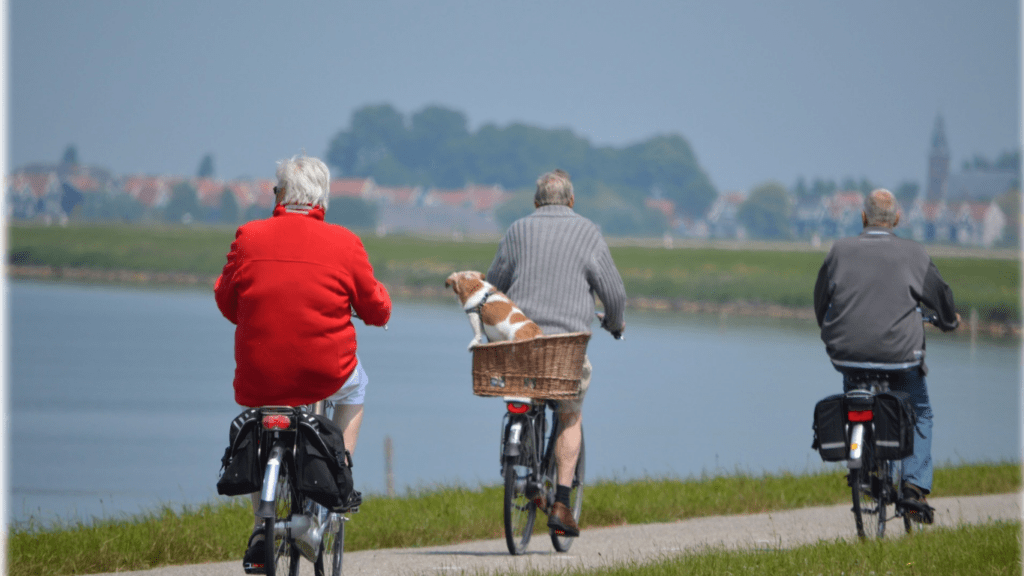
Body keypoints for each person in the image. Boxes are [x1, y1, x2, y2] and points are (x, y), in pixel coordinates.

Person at [214, 155, 391, 572]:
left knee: (260, 418)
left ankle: (263, 525)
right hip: (325, 372)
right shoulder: (345, 242)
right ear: (322, 201)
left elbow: (226, 301)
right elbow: (377, 308)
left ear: (280, 196)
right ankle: (340, 476)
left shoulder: (249, 236)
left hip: (260, 375)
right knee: (357, 387)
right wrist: (376, 307)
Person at [486, 169, 626, 537]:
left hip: (520, 346)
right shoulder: (588, 232)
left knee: (522, 394)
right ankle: (562, 503)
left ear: (535, 203)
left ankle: (519, 461)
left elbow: (492, 287)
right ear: (572, 201)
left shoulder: (517, 230)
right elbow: (613, 294)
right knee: (569, 415)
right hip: (566, 349)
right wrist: (614, 322)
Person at [813, 188, 959, 522]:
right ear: (897, 219)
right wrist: (949, 322)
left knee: (856, 400)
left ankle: (865, 468)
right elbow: (942, 299)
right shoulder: (914, 253)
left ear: (862, 218)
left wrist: (829, 330)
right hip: (901, 356)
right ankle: (913, 487)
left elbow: (821, 300)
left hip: (848, 354)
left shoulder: (838, 250)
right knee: (920, 412)